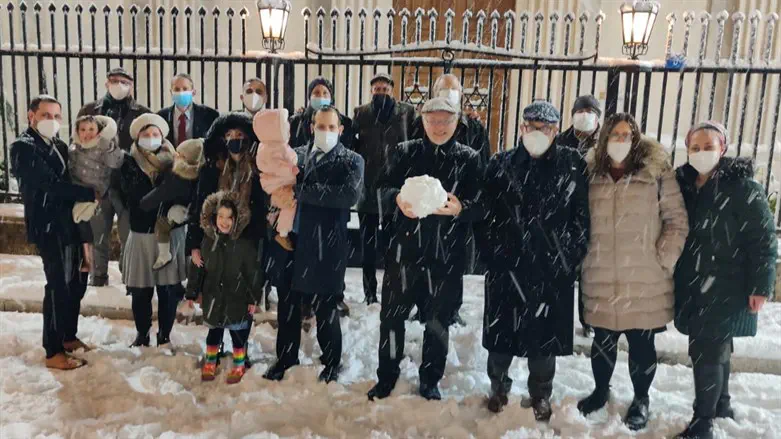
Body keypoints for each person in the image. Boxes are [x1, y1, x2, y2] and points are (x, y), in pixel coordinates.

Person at [476, 101, 590, 420]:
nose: (537, 133)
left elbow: (581, 217)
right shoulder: (500, 163)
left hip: (550, 270)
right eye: (531, 127)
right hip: (506, 267)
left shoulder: (572, 164)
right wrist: (493, 256)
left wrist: (567, 256)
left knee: (544, 342)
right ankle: (498, 388)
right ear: (522, 128)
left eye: (545, 128)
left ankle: (541, 394)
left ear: (555, 131)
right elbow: (485, 216)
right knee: (500, 339)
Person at [578, 113, 689, 430]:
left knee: (642, 344)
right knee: (602, 340)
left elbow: (676, 220)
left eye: (627, 135)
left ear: (637, 139)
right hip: (600, 271)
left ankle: (641, 398)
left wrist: (661, 259)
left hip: (644, 276)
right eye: (615, 135)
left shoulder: (656, 173)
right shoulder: (591, 173)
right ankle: (600, 392)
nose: (621, 141)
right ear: (604, 140)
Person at [366, 97, 483, 401]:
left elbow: (482, 206)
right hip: (404, 255)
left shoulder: (469, 159)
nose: (439, 127)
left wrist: (461, 208)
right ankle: (387, 376)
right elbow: (378, 190)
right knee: (391, 319)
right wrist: (396, 201)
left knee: (437, 323)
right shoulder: (405, 152)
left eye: (446, 120)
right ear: (423, 121)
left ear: (457, 122)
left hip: (445, 259)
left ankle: (430, 379)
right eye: (433, 120)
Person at [673, 121, 777, 439]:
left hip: (726, 285)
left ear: (724, 148)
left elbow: (763, 240)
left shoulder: (742, 188)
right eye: (695, 147)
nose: (702, 153)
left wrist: (761, 285)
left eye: (709, 146)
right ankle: (721, 404)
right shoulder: (685, 185)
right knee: (717, 348)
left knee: (706, 350)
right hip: (695, 283)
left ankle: (702, 423)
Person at [262, 106, 364, 384]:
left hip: (327, 246)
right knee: (288, 305)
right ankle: (285, 358)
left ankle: (331, 362)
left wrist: (299, 192)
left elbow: (347, 195)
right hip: (291, 242)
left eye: (332, 127)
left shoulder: (352, 160)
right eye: (321, 126)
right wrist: (276, 200)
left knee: (326, 309)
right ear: (311, 127)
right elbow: (274, 185)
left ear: (341, 130)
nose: (326, 132)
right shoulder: (296, 154)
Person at [10, 95, 97, 369]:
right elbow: (49, 184)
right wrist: (89, 193)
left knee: (76, 283)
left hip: (67, 223)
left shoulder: (59, 145)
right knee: (57, 285)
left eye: (57, 116)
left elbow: (67, 179)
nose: (53, 121)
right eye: (46, 115)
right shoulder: (23, 148)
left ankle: (68, 336)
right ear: (31, 116)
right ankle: (53, 350)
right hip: (46, 225)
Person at [410, 73, 490, 326]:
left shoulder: (474, 127)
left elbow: (483, 165)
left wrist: (466, 205)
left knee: (454, 262)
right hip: (425, 205)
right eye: (443, 90)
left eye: (453, 90)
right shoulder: (422, 122)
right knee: (422, 258)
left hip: (457, 204)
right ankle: (422, 305)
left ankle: (452, 307)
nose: (448, 95)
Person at [186, 112, 269, 356]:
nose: (234, 140)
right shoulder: (211, 169)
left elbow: (264, 206)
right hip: (216, 238)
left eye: (240, 135)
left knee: (242, 297)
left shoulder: (258, 167)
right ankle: (216, 345)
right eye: (229, 135)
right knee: (216, 291)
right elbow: (198, 205)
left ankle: (240, 348)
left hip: (247, 239)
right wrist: (194, 243)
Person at [120, 114, 188, 348]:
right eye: (146, 135)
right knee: (141, 291)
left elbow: (185, 193)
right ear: (137, 138)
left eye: (155, 134)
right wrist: (165, 190)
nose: (151, 138)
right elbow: (135, 200)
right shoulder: (128, 164)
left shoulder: (177, 161)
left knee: (168, 290)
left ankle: (165, 334)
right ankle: (142, 333)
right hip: (141, 234)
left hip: (170, 233)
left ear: (163, 136)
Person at [77, 67, 150, 286]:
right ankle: (98, 276)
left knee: (129, 235)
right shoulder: (91, 109)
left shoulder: (142, 113)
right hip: (98, 183)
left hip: (128, 184)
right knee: (99, 232)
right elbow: (80, 141)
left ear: (132, 85)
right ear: (106, 83)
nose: (119, 85)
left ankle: (129, 276)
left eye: (124, 81)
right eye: (114, 81)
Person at [352, 72, 416, 305]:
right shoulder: (361, 113)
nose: (381, 93)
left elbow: (415, 140)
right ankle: (369, 292)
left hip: (394, 190)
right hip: (368, 189)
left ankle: (391, 288)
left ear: (392, 90)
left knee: (393, 245)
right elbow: (352, 140)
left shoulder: (406, 112)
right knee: (367, 247)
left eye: (385, 89)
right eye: (377, 89)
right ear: (372, 91)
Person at [186, 191, 262, 384]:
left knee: (238, 335)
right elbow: (198, 270)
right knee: (214, 334)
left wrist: (253, 298)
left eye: (229, 217)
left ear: (236, 219)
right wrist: (192, 292)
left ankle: (239, 362)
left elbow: (253, 273)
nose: (224, 222)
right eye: (220, 216)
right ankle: (211, 361)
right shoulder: (208, 241)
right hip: (214, 297)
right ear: (214, 217)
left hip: (237, 297)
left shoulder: (244, 245)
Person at [68, 115, 124, 275]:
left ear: (99, 131)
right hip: (82, 198)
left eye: (92, 129)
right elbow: (70, 173)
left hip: (102, 196)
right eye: (83, 129)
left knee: (102, 236)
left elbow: (116, 162)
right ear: (77, 131)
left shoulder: (103, 146)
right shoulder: (73, 149)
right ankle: (92, 272)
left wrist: (109, 146)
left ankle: (107, 275)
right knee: (89, 237)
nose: (87, 133)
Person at [148, 139, 205, 270]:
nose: (176, 155)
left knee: (161, 226)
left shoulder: (177, 171)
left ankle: (164, 254)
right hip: (180, 210)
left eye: (180, 154)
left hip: (176, 210)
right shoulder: (197, 173)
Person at [254, 108, 299, 251]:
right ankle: (283, 232)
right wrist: (291, 170)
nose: (288, 126)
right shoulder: (275, 148)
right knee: (290, 203)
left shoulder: (267, 145)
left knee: (283, 204)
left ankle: (274, 219)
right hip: (278, 183)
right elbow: (277, 166)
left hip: (275, 183)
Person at [289, 77, 354, 149]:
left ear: (331, 97)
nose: (321, 96)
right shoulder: (298, 121)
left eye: (325, 93)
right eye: (316, 93)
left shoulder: (344, 122)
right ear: (309, 97)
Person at [158, 73, 219, 147]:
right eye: (176, 89)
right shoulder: (161, 117)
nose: (181, 92)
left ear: (193, 92)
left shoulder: (209, 115)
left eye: (185, 89)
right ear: (171, 92)